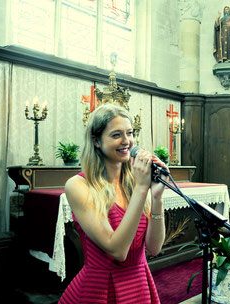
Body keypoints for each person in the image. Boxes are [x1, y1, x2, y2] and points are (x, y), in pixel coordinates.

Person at [59, 104, 168, 303]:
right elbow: (117, 251)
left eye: (129, 133)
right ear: (96, 141)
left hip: (139, 285)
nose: (126, 141)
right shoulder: (79, 186)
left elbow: (154, 247)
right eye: (116, 135)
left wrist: (157, 198)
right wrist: (142, 189)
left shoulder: (135, 183)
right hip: (100, 288)